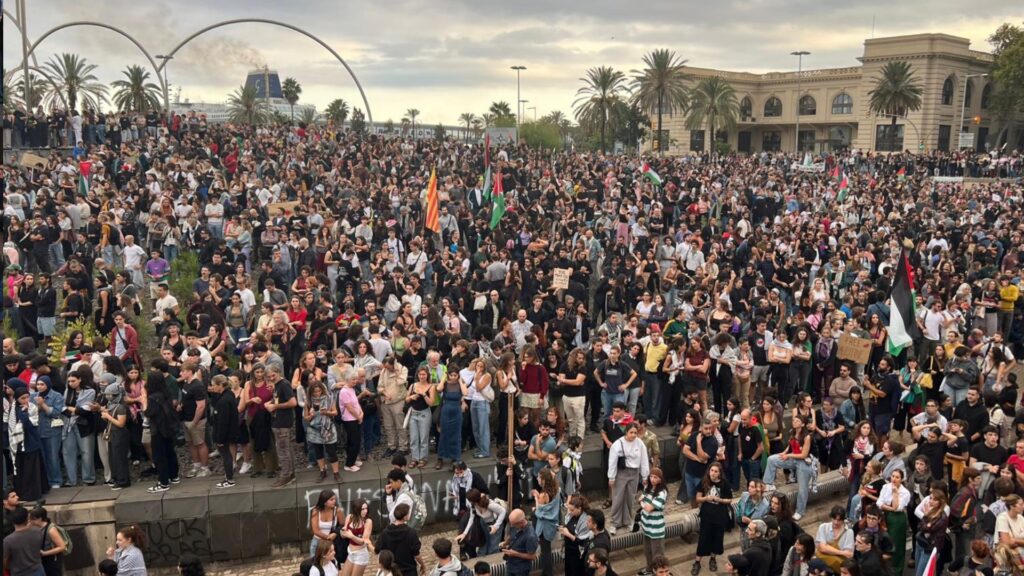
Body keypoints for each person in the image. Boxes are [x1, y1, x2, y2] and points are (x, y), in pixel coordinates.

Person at [763, 413, 815, 520]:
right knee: (772, 459)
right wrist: (784, 453)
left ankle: (800, 511)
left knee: (802, 488)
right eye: (793, 420)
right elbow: (790, 446)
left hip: (803, 461)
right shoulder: (792, 432)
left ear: (803, 424)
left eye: (797, 421)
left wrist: (788, 455)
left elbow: (804, 454)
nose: (794, 422)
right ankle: (769, 483)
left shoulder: (807, 436)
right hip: (792, 458)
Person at [607, 421, 650, 534]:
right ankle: (615, 523)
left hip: (634, 473)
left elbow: (644, 459)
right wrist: (611, 477)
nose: (633, 435)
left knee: (630, 497)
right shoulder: (617, 444)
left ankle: (627, 520)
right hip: (621, 473)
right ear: (626, 432)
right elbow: (612, 461)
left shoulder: (640, 443)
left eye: (635, 433)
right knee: (618, 497)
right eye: (631, 432)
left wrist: (645, 475)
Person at [694, 462, 734, 576]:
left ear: (720, 473)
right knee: (703, 538)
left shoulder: (724, 484)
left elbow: (729, 499)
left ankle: (713, 559)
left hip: (720, 516)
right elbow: (697, 498)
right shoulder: (704, 481)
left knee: (717, 538)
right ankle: (697, 562)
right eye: (712, 470)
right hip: (706, 516)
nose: (713, 473)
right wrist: (707, 498)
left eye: (716, 471)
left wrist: (720, 500)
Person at [375, 503, 425, 576]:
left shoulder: (385, 532)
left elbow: (377, 550)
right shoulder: (411, 533)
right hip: (409, 571)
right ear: (405, 517)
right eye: (408, 513)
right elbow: (416, 554)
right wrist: (422, 565)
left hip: (391, 571)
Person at [640, 467, 668, 570]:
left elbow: (648, 508)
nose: (652, 479)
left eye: (655, 477)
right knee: (647, 551)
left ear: (660, 479)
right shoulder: (648, 487)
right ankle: (649, 569)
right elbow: (642, 496)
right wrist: (643, 501)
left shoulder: (662, 493)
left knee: (658, 555)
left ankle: (659, 571)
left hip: (656, 529)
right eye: (651, 476)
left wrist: (642, 503)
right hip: (647, 526)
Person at [558, 494, 593, 576]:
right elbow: (568, 525)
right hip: (568, 551)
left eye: (572, 510)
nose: (570, 512)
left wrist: (567, 534)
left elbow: (581, 541)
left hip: (577, 554)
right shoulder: (572, 515)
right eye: (569, 509)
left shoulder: (585, 521)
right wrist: (563, 528)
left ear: (579, 509)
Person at [3, 506, 42, 576]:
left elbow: (4, 561)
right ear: (27, 519)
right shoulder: (37, 531)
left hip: (19, 572)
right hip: (38, 570)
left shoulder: (8, 540)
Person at [814, 506, 855, 573]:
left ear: (843, 520)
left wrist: (828, 548)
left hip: (839, 567)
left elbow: (849, 554)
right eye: (834, 519)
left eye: (839, 520)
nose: (836, 522)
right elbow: (822, 548)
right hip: (823, 563)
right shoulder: (823, 527)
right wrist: (841, 552)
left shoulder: (849, 532)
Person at [340, 499, 374, 576]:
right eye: (362, 509)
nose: (365, 511)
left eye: (366, 508)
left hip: (361, 554)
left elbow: (363, 541)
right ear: (356, 509)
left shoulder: (368, 521)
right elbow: (343, 534)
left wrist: (351, 536)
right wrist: (342, 532)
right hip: (350, 553)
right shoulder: (350, 517)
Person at [501, 509, 538, 576]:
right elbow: (512, 535)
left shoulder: (530, 536)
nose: (512, 526)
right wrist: (505, 543)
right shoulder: (515, 525)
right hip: (511, 565)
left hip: (521, 569)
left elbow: (532, 556)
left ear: (521, 522)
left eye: (513, 524)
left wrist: (515, 554)